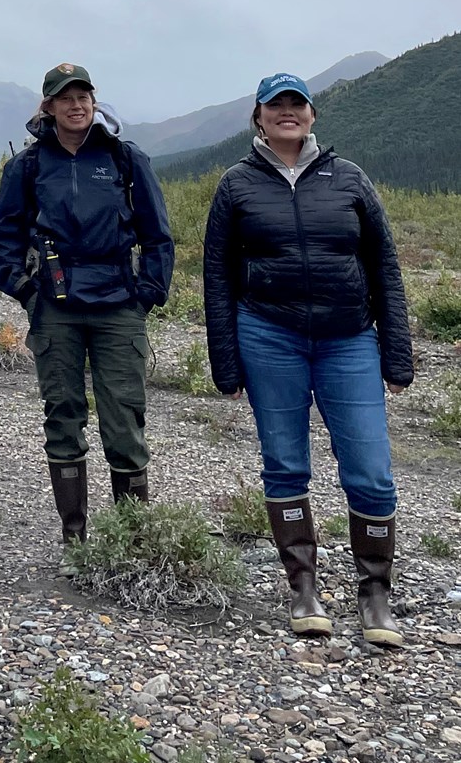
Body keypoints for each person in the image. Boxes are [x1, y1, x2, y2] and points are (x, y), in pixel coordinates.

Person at [203, 72, 412, 647]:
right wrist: (226, 362)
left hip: (349, 341)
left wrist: (396, 354)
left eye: (298, 104)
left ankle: (374, 594)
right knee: (286, 464)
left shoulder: (350, 179)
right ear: (259, 117)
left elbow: (385, 267)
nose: (288, 113)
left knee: (371, 471)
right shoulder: (236, 185)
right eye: (277, 105)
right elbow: (217, 278)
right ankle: (304, 588)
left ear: (313, 115)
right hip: (269, 337)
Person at [0, 63, 173, 565]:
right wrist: (29, 293)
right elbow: (3, 245)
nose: (76, 105)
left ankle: (133, 544)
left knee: (125, 420)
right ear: (47, 107)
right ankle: (76, 542)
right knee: (63, 416)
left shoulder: (125, 159)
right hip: (56, 311)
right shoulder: (26, 167)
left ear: (94, 101)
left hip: (119, 308)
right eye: (64, 98)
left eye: (84, 95)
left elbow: (158, 235)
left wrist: (147, 293)